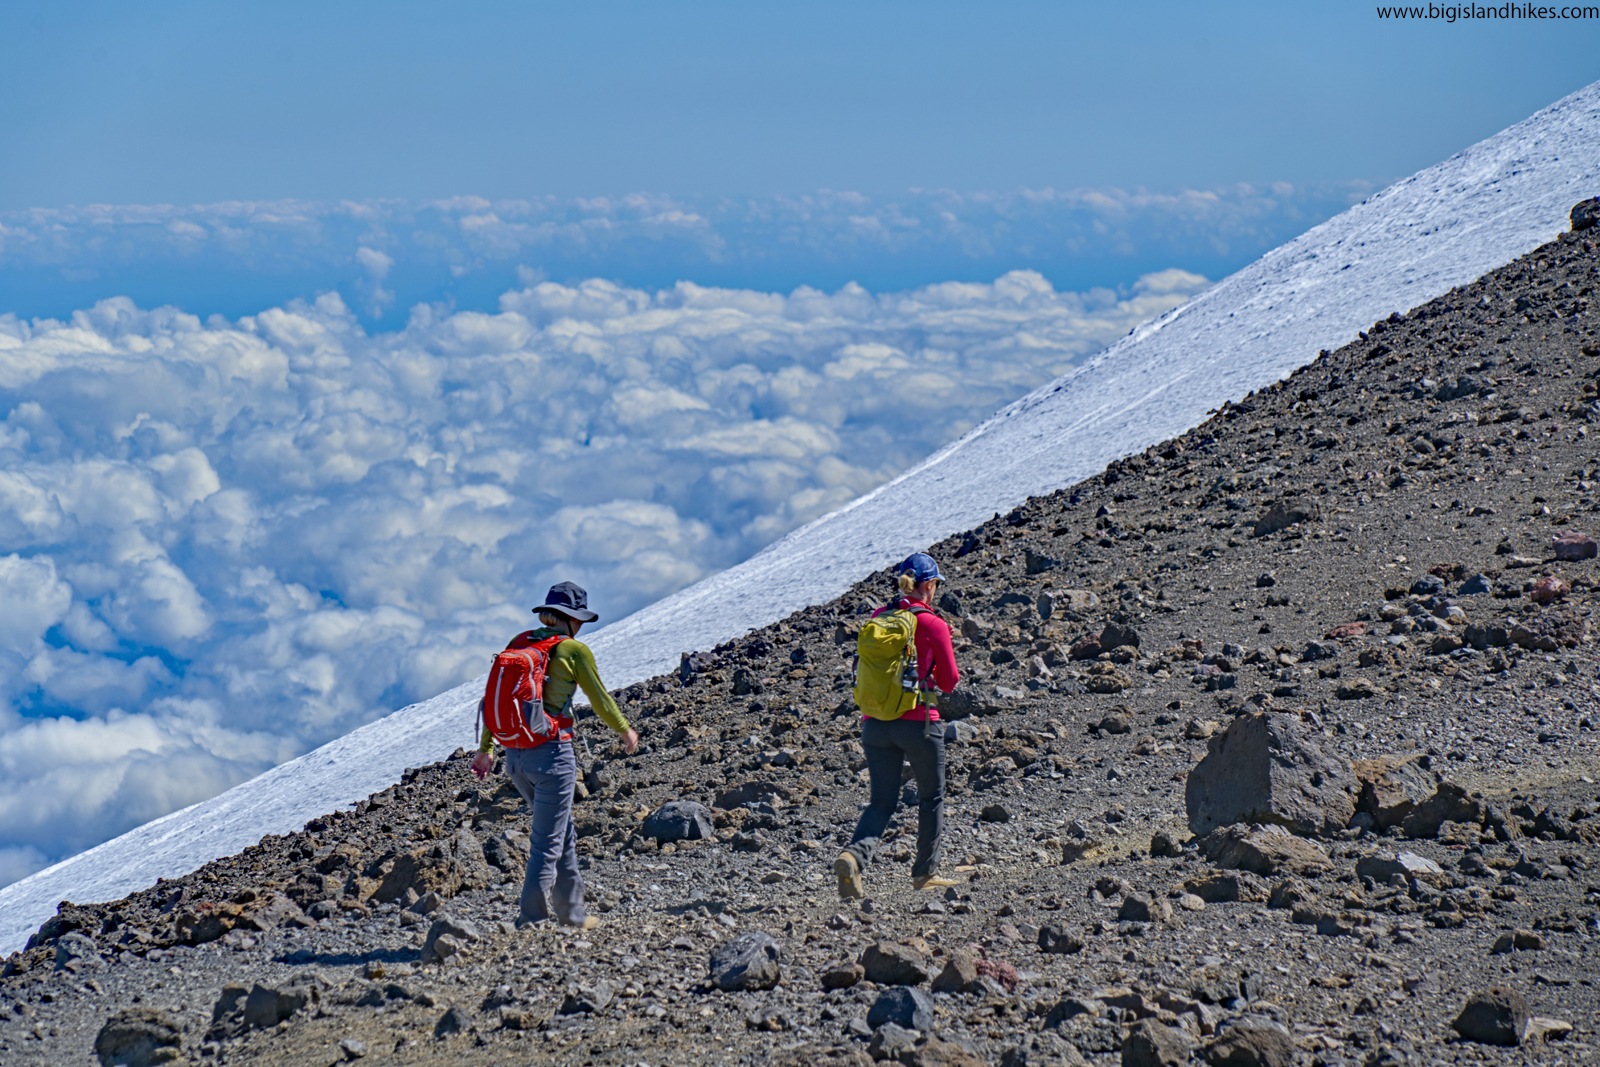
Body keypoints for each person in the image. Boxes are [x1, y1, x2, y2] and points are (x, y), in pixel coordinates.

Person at [471, 581, 639, 929]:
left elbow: (494, 700)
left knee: (562, 834)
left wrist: (486, 750)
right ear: (573, 619)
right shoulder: (573, 650)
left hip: (515, 759)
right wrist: (625, 730)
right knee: (547, 844)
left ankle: (572, 916)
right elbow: (600, 699)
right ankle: (530, 922)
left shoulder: (519, 642)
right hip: (551, 756)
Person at [836, 552, 961, 899]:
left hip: (875, 725)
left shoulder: (879, 617)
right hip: (919, 723)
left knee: (881, 802)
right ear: (929, 585)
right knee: (931, 796)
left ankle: (853, 858)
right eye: (935, 584)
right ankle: (924, 874)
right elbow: (949, 682)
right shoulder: (933, 624)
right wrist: (941, 644)